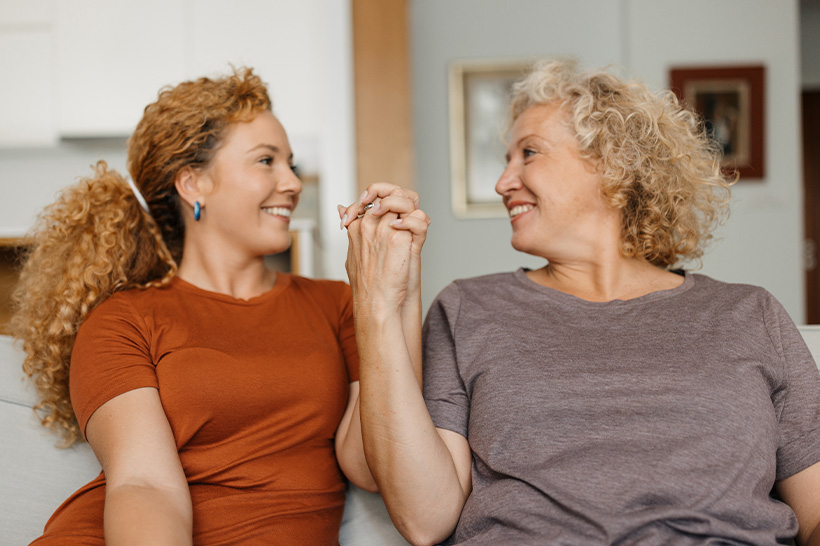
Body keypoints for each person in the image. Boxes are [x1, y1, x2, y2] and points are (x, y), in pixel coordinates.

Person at [340, 59, 820, 545]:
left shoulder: (749, 315)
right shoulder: (468, 308)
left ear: (613, 163)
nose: (503, 182)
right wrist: (378, 299)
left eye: (528, 153)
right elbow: (424, 518)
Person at [13, 67, 376, 545]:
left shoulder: (337, 304)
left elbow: (375, 465)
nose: (292, 182)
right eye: (266, 161)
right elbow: (144, 484)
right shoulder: (123, 321)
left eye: (291, 162)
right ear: (193, 184)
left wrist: (384, 296)